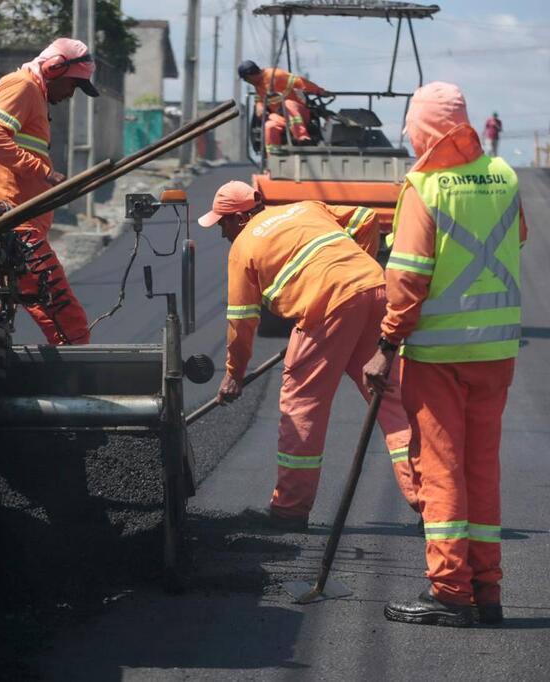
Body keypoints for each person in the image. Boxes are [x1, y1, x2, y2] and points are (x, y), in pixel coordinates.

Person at [364, 82, 526, 628]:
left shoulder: (425, 186)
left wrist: (386, 344)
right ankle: (487, 589)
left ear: (423, 128)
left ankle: (450, 592)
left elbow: (407, 277)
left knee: (442, 473)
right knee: (482, 469)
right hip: (497, 351)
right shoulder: (504, 177)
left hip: (438, 354)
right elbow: (517, 238)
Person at [201, 182, 419, 531]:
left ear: (240, 218)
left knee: (301, 405)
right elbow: (365, 219)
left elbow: (241, 320)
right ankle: (431, 499)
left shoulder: (244, 247)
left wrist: (234, 375)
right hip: (374, 290)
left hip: (328, 308)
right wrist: (357, 272)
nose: (222, 233)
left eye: (223, 223)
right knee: (391, 400)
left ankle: (290, 509)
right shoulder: (305, 207)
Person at [0, 38, 99, 345]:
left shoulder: (33, 94)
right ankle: (78, 383)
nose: (71, 94)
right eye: (73, 85)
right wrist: (43, 172)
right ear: (54, 68)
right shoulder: (22, 86)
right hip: (16, 225)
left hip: (19, 223)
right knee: (68, 321)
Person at [238, 60, 329, 156]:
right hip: (283, 119)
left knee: (288, 104)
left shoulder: (276, 75)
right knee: (269, 126)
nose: (247, 82)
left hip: (300, 115)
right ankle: (271, 162)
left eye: (246, 79)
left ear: (251, 74)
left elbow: (300, 82)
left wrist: (319, 91)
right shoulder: (258, 86)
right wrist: (259, 107)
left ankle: (302, 138)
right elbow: (259, 100)